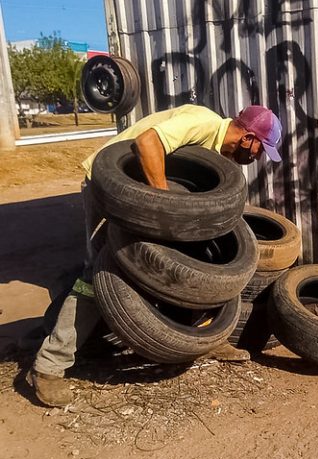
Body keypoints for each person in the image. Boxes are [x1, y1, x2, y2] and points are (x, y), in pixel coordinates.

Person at [27, 104, 283, 407]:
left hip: (144, 195)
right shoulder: (202, 123)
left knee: (199, 265)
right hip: (112, 189)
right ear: (248, 138)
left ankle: (202, 341)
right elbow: (146, 143)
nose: (257, 157)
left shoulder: (216, 152)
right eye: (260, 149)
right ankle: (49, 366)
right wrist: (167, 210)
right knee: (99, 274)